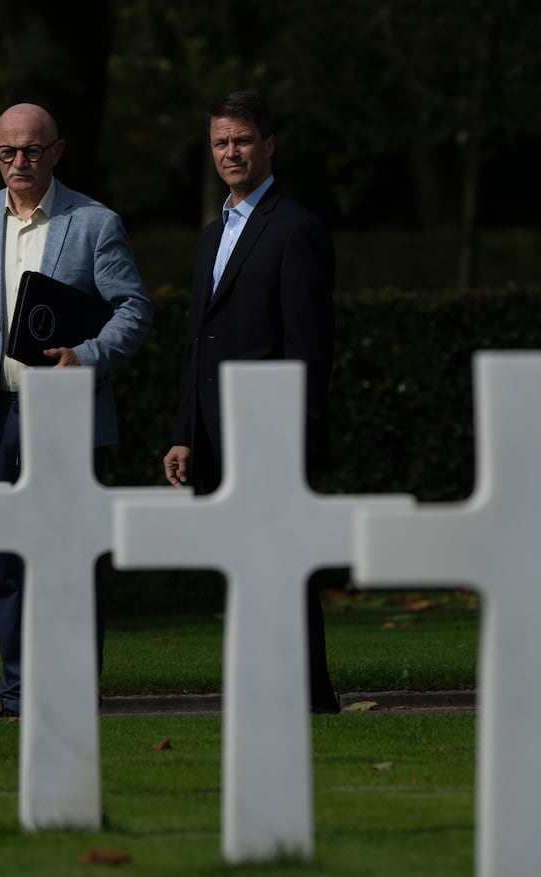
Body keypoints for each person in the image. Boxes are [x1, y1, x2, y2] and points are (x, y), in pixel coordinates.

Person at [0, 103, 152, 716]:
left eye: (31, 150)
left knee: (72, 556)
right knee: (5, 565)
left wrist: (86, 355)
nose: (19, 162)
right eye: (7, 152)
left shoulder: (94, 223)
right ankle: (18, 693)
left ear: (57, 151)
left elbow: (134, 310)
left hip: (65, 415)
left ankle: (76, 690)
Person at [161, 90, 341, 715]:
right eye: (219, 142)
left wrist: (289, 434)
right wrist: (185, 430)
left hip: (271, 435)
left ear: (269, 144)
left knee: (286, 572)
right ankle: (262, 689)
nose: (230, 152)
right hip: (215, 431)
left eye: (240, 140)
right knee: (243, 569)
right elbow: (197, 340)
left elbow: (309, 348)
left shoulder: (297, 229)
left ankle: (310, 698)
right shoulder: (213, 235)